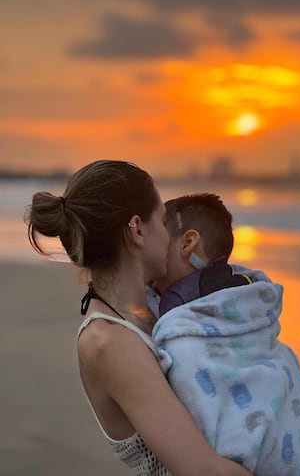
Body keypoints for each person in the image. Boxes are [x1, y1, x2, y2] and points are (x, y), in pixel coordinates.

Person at [26, 160, 254, 476]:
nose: (168, 233)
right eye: (162, 221)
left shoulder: (161, 309)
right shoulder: (108, 342)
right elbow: (205, 470)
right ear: (137, 229)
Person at [150, 193, 300, 476]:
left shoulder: (185, 336)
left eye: (159, 238)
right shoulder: (243, 305)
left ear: (187, 243)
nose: (150, 251)